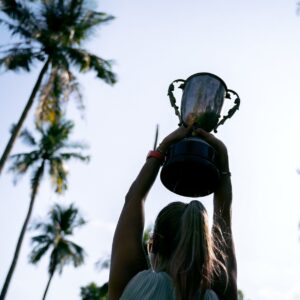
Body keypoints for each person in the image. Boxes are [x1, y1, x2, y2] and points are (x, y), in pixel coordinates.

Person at [108, 126, 237, 300]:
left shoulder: (137, 285)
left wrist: (162, 149)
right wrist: (223, 161)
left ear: (154, 244)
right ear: (205, 250)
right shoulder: (213, 295)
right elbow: (224, 224)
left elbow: (133, 199)